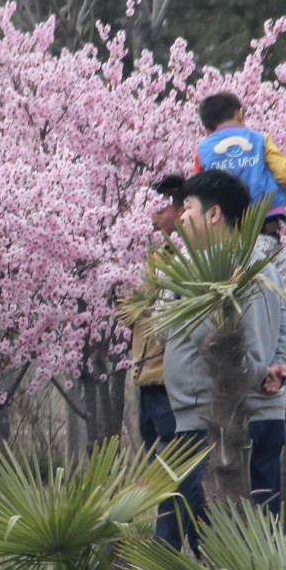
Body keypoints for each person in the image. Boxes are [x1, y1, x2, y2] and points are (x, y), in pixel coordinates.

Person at [159, 170, 286, 550]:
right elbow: (285, 329)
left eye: (188, 208)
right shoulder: (263, 263)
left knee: (212, 535)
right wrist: (280, 370)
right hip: (266, 410)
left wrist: (264, 373)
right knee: (262, 528)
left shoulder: (199, 270)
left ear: (215, 214)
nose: (181, 217)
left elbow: (215, 343)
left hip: (211, 420)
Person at [126, 175, 187, 452]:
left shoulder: (187, 258)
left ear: (181, 210)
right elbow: (127, 312)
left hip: (167, 377)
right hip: (145, 373)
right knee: (153, 455)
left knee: (170, 456)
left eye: (160, 209)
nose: (153, 216)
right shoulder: (155, 256)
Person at [192, 91, 286, 232]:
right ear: (240, 114)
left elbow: (197, 189)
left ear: (207, 130)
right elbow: (285, 173)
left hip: (226, 220)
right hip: (264, 215)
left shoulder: (201, 150)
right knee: (267, 251)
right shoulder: (261, 139)